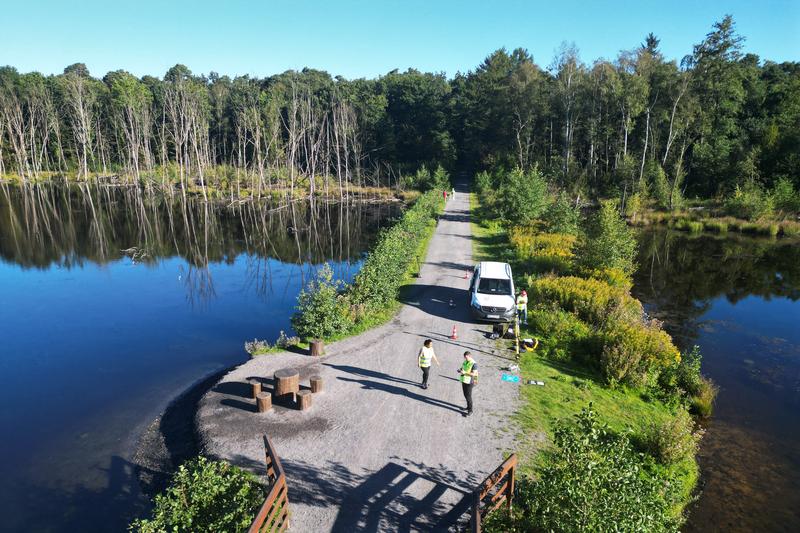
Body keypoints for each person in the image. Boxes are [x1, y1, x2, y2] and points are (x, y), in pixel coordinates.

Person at [458, 351, 478, 416]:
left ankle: (470, 410)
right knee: (465, 395)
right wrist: (460, 370)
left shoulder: (474, 364)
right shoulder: (465, 361)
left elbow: (474, 374)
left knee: (468, 396)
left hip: (470, 382)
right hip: (464, 380)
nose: (465, 359)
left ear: (470, 356)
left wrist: (465, 373)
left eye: (467, 357)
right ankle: (468, 407)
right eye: (465, 357)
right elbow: (463, 367)